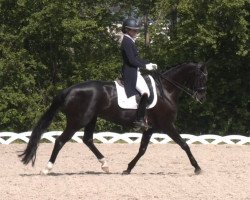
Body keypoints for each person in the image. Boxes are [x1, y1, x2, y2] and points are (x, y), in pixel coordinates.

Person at [120, 18, 157, 129]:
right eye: (134, 30)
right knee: (145, 92)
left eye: (136, 30)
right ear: (127, 30)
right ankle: (139, 120)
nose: (137, 32)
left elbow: (137, 58)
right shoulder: (126, 41)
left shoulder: (130, 41)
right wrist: (145, 66)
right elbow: (131, 60)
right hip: (130, 73)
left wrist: (148, 63)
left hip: (135, 71)